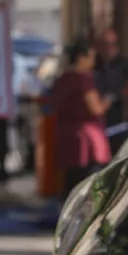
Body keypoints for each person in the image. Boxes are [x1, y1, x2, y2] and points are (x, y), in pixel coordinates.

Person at [51, 39, 113, 197]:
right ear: (81, 58)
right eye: (91, 57)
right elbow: (95, 109)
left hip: (65, 134)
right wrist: (108, 101)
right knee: (88, 181)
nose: (93, 61)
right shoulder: (84, 79)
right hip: (86, 138)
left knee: (70, 180)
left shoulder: (61, 79)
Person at [93, 28, 128, 154]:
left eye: (113, 44)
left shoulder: (125, 65)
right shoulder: (93, 67)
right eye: (105, 44)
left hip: (122, 127)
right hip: (100, 127)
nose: (109, 48)